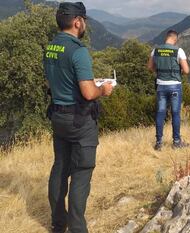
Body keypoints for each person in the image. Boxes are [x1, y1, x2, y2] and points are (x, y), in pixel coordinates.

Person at [44, 2, 113, 233]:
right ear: (77, 22)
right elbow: (88, 92)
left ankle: (58, 223)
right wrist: (103, 89)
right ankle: (77, 228)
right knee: (81, 174)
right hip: (79, 121)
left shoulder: (50, 47)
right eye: (83, 20)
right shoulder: (78, 51)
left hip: (58, 117)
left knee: (60, 168)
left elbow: (55, 81)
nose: (84, 24)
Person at [147, 29, 190, 151]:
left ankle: (159, 142)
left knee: (160, 113)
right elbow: (186, 71)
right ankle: (176, 142)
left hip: (161, 86)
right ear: (175, 39)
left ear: (166, 37)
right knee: (175, 113)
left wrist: (159, 71)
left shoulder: (156, 50)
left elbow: (150, 67)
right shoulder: (178, 50)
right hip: (175, 86)